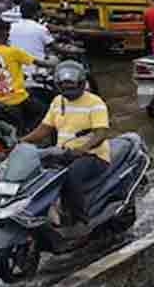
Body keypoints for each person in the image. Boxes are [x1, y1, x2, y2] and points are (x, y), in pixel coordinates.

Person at [20, 60, 111, 237]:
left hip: (93, 156)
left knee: (71, 175)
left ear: (82, 83)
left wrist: (82, 149)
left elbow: (101, 134)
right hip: (62, 153)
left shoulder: (95, 102)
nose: (68, 87)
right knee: (36, 174)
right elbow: (44, 129)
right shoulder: (57, 101)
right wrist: (21, 142)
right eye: (64, 84)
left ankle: (80, 221)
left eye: (72, 84)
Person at [0, 21, 56, 133]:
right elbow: (40, 63)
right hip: (16, 98)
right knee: (44, 111)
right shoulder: (13, 51)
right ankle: (29, 135)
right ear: (5, 34)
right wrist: (55, 62)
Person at [8, 0, 58, 88]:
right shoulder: (40, 28)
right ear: (37, 13)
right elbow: (55, 48)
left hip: (16, 72)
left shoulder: (11, 27)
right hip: (37, 71)